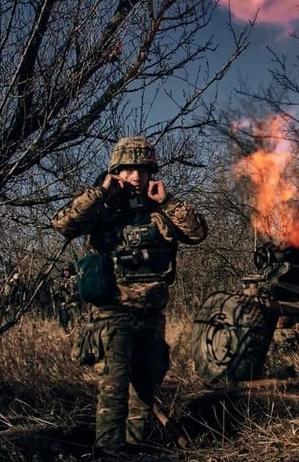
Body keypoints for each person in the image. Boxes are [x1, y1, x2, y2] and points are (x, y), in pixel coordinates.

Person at [50, 136, 207, 453]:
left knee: (145, 388)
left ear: (151, 173)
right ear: (116, 172)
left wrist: (168, 201)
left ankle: (134, 449)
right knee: (115, 385)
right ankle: (108, 450)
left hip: (151, 315)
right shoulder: (102, 209)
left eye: (143, 170)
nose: (136, 177)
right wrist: (99, 193)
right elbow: (62, 223)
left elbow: (197, 232)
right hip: (113, 313)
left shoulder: (159, 209)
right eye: (128, 170)